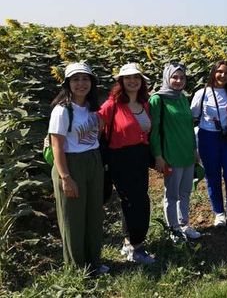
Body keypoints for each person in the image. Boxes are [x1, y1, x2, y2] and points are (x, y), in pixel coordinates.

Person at [48, 62, 107, 276]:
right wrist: (65, 177)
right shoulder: (62, 110)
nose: (81, 83)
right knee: (73, 218)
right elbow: (57, 146)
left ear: (92, 82)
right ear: (67, 83)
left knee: (93, 214)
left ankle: (94, 261)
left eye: (85, 79)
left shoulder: (92, 109)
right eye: (75, 79)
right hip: (70, 164)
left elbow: (94, 136)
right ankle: (77, 268)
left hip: (92, 160)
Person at [98, 63, 155, 264]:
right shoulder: (111, 105)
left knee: (136, 200)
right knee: (135, 202)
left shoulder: (144, 104)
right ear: (121, 82)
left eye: (136, 78)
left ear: (141, 82)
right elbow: (95, 129)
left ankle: (129, 242)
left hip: (140, 156)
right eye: (128, 78)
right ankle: (136, 248)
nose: (133, 81)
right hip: (120, 158)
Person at [149, 62, 200, 241]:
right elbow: (153, 131)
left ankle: (184, 223)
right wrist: (158, 156)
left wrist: (194, 150)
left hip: (186, 153)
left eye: (182, 77)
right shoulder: (158, 100)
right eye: (174, 77)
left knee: (186, 191)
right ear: (167, 78)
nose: (178, 81)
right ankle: (173, 229)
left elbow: (189, 127)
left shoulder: (183, 98)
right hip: (170, 155)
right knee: (172, 194)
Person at [191, 61, 227, 230]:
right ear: (213, 72)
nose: (223, 76)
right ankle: (219, 213)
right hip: (208, 138)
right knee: (212, 175)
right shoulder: (202, 93)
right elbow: (193, 115)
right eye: (220, 72)